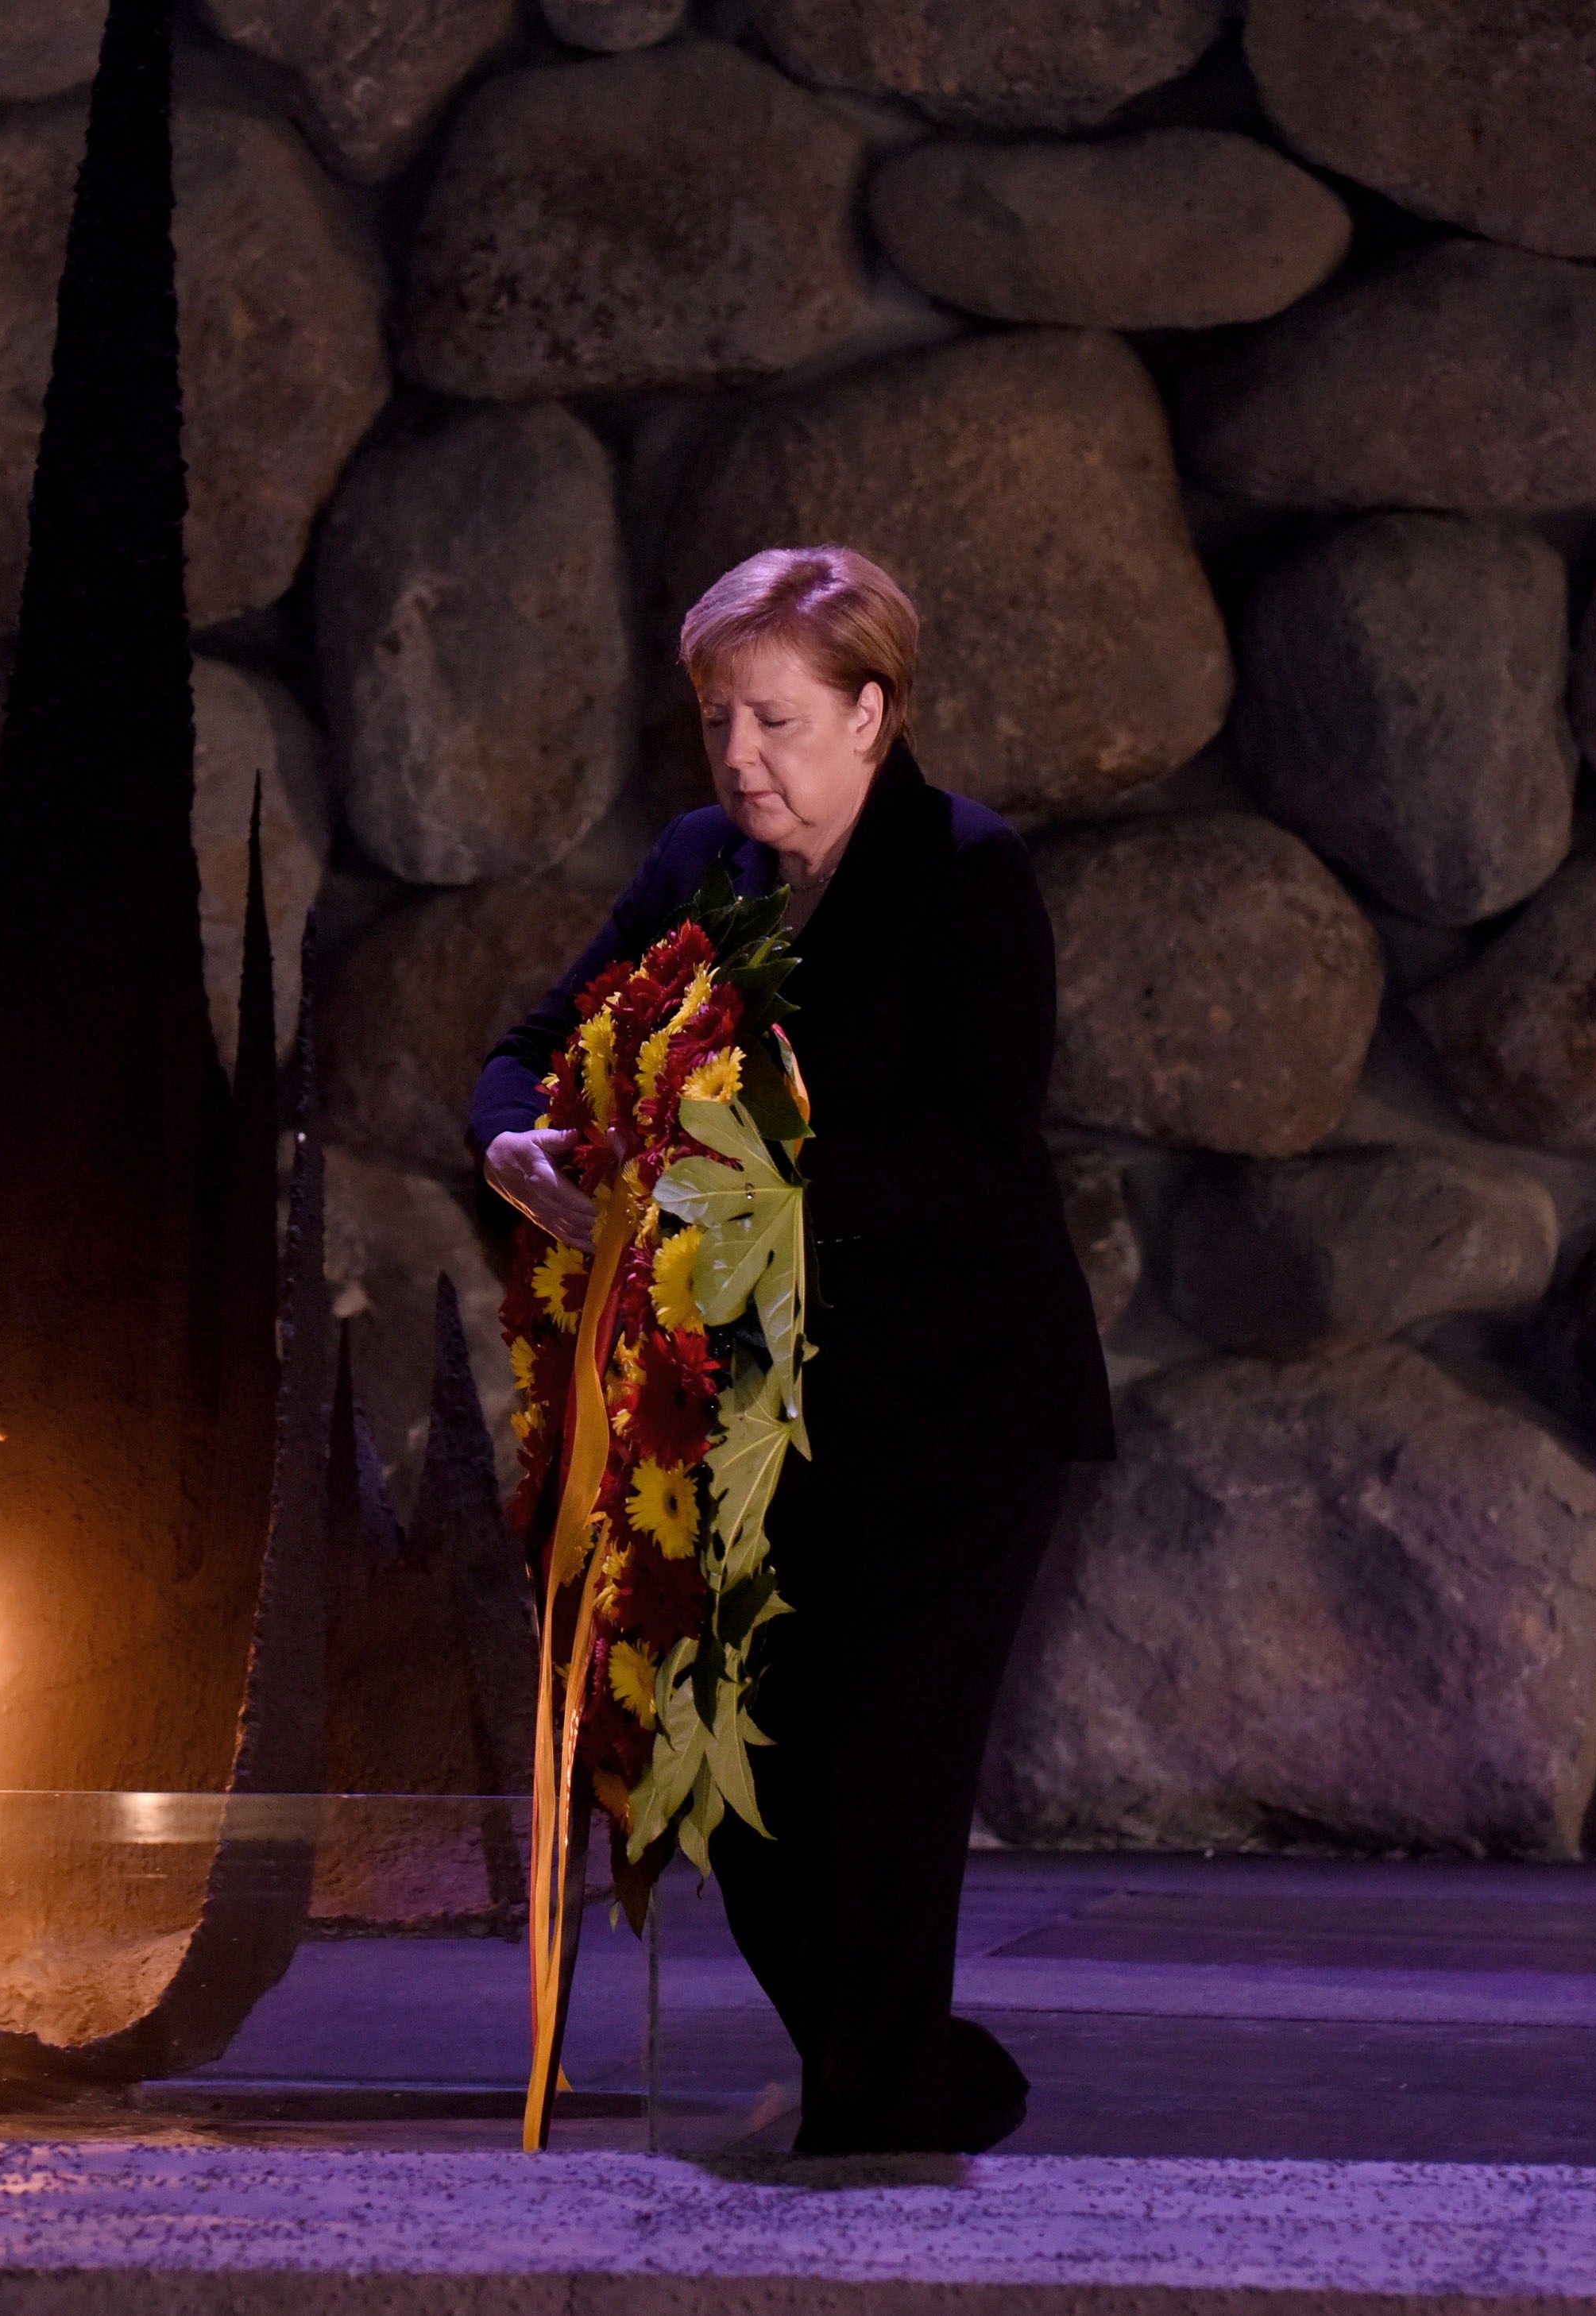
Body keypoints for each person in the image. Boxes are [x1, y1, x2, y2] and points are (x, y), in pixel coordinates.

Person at [469, 546, 1113, 2155]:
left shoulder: (964, 871)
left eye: (769, 718)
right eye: (714, 721)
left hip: (948, 1404)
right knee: (729, 1771)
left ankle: (871, 2125)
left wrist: (721, 1177)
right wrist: (516, 1148)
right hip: (742, 1406)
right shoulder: (701, 862)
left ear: (869, 716)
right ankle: (898, 2074)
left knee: (882, 1776)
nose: (736, 756)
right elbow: (531, 1048)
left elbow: (970, 1145)